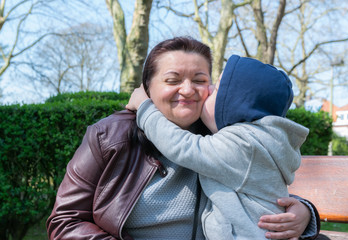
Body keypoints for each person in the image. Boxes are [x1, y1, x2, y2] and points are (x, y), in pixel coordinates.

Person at [47, 37, 319, 240]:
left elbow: (259, 190)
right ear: (147, 88)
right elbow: (65, 221)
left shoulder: (221, 136)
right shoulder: (110, 136)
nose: (187, 90)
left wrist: (304, 214)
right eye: (172, 79)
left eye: (200, 80)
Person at [126, 54, 311, 239]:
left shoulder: (243, 145)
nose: (208, 89)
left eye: (217, 89)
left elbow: (182, 146)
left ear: (233, 106)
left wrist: (145, 107)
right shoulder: (261, 141)